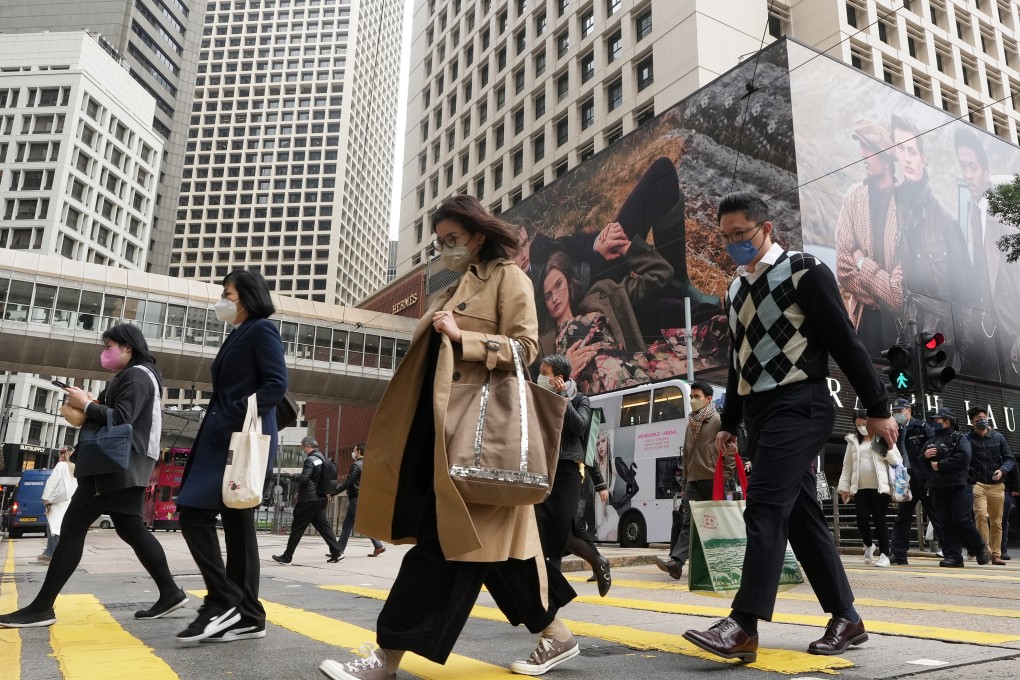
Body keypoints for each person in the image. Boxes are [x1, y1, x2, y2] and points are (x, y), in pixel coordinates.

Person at [319, 195, 578, 680]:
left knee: (444, 547)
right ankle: (556, 634)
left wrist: (465, 338)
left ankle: (386, 658)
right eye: (439, 242)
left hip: (480, 439)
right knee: (497, 553)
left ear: (478, 236)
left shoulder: (509, 278)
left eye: (452, 239)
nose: (445, 249)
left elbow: (527, 349)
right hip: (444, 435)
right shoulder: (458, 284)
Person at [682, 192, 897, 663]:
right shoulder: (734, 290)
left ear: (766, 228)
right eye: (726, 237)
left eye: (741, 234)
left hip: (802, 403)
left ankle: (743, 625)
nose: (733, 244)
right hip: (760, 414)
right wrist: (730, 422)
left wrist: (878, 406)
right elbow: (739, 362)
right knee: (799, 517)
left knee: (763, 506)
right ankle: (847, 617)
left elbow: (844, 340)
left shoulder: (804, 271)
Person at [0, 325, 186, 628]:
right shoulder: (135, 375)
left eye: (109, 345)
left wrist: (85, 404)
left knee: (73, 530)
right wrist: (86, 401)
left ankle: (41, 608)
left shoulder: (137, 376)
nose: (105, 352)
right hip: (125, 464)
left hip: (114, 465)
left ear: (127, 346)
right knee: (130, 528)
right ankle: (170, 592)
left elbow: (121, 418)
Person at [175, 269, 288, 643]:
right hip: (222, 437)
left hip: (238, 439)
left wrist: (232, 413)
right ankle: (250, 615)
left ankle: (222, 600)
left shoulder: (261, 330)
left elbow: (276, 384)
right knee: (238, 525)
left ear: (248, 297)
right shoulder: (238, 333)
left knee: (193, 512)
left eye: (228, 294)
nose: (222, 300)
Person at [535, 353, 610, 596]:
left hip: (567, 469)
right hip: (542, 467)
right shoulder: (540, 397)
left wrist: (563, 398)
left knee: (562, 528)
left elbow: (579, 426)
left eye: (544, 373)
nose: (540, 377)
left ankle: (597, 562)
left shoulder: (579, 399)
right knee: (544, 528)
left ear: (559, 377)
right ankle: (549, 592)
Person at [954, 128, 1020, 382]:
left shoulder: (1003, 212)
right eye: (964, 167)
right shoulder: (973, 208)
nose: (968, 174)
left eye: (973, 167)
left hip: (1010, 329)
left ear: (986, 171)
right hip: (987, 331)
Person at [834, 119, 902, 357]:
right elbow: (843, 270)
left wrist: (861, 261)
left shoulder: (906, 203)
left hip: (900, 328)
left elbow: (901, 294)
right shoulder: (853, 198)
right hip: (863, 322)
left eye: (869, 149)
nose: (863, 154)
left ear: (887, 159)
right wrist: (886, 287)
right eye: (861, 147)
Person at [656, 381, 725, 580]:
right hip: (693, 481)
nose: (693, 400)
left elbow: (728, 451)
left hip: (713, 479)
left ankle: (720, 563)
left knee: (716, 524)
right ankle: (677, 563)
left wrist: (725, 477)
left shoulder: (718, 421)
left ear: (708, 399)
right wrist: (685, 483)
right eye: (691, 397)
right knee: (688, 522)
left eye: (697, 397)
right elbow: (687, 456)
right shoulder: (690, 425)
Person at [924, 407, 991, 568]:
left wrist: (941, 465)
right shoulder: (932, 439)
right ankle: (953, 557)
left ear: (947, 422)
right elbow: (921, 459)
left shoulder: (960, 438)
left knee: (962, 520)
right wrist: (925, 456)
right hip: (938, 487)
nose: (935, 422)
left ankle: (980, 548)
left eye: (938, 419)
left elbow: (964, 457)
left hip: (959, 486)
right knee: (944, 523)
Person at [837, 409, 902, 568]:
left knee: (880, 519)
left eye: (864, 424)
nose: (862, 428)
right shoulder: (852, 441)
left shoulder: (883, 437)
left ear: (871, 422)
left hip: (880, 487)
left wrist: (886, 449)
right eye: (858, 425)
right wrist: (844, 488)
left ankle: (885, 555)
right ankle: (868, 545)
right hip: (860, 487)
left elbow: (897, 462)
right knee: (862, 518)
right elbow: (847, 466)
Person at [272, 437, 344, 565]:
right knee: (323, 527)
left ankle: (287, 557)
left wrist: (292, 476)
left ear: (308, 447)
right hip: (321, 498)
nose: (302, 450)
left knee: (297, 528)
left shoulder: (310, 460)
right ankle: (337, 552)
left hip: (309, 500)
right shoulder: (323, 459)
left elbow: (304, 478)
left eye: (302, 447)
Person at [888, 398, 943, 564]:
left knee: (935, 514)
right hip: (904, 478)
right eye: (895, 412)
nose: (897, 414)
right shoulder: (894, 429)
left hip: (924, 477)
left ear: (909, 411)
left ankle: (950, 551)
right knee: (902, 517)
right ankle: (898, 554)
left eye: (900, 411)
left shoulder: (922, 427)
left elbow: (936, 449)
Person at [966, 406, 1015, 566]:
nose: (982, 420)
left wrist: (1002, 470)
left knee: (997, 521)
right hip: (977, 484)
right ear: (972, 422)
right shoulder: (967, 439)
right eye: (978, 419)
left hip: (997, 485)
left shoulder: (998, 437)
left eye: (984, 417)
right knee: (981, 515)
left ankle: (996, 554)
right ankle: (985, 551)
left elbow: (1009, 459)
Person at [332, 446, 385, 560]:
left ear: (359, 452)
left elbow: (348, 482)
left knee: (365, 523)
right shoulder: (370, 464)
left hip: (356, 497)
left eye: (354, 450)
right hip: (362, 496)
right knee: (347, 525)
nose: (353, 452)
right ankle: (339, 550)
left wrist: (334, 492)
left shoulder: (356, 465)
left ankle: (379, 545)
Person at [38, 448, 77, 563]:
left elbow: (52, 482)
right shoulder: (75, 467)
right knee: (56, 527)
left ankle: (56, 554)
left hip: (58, 502)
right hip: (69, 502)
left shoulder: (61, 465)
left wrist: (45, 497)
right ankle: (49, 552)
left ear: (63, 455)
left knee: (54, 528)